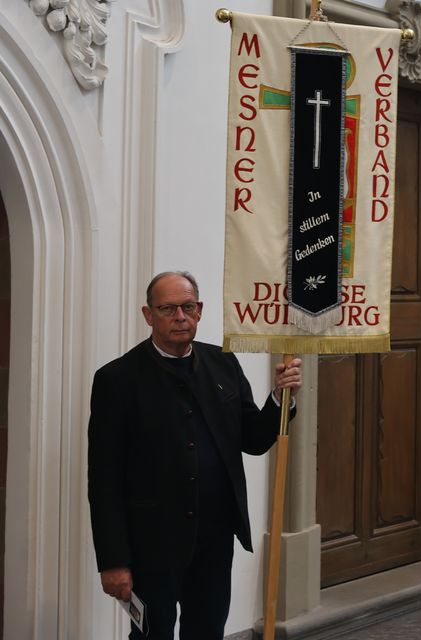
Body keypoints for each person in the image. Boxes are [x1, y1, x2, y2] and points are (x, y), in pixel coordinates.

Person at [88, 271, 302, 638]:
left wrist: (280, 399)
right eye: (167, 308)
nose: (180, 316)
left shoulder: (223, 362)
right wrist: (114, 562)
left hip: (214, 539)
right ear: (148, 314)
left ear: (200, 310)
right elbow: (104, 480)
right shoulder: (117, 379)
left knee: (207, 631)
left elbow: (252, 438)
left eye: (188, 307)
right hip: (151, 544)